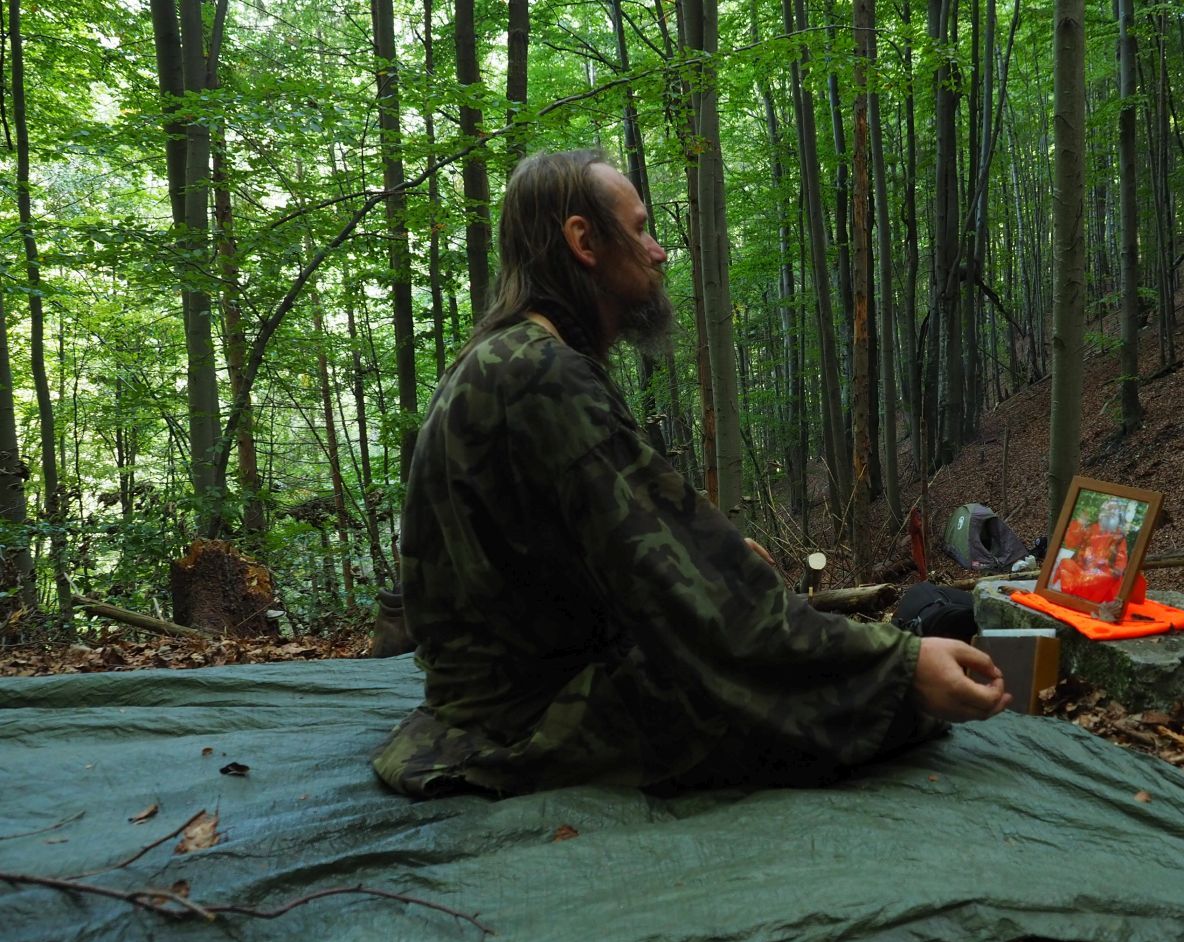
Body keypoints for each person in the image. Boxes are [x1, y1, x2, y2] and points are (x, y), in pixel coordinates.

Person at [372, 149, 1010, 799]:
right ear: (584, 241)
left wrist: (717, 557)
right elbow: (711, 619)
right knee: (846, 707)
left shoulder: (500, 359)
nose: (659, 252)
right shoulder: (542, 377)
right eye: (642, 228)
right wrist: (901, 667)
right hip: (526, 722)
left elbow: (572, 562)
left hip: (494, 703)